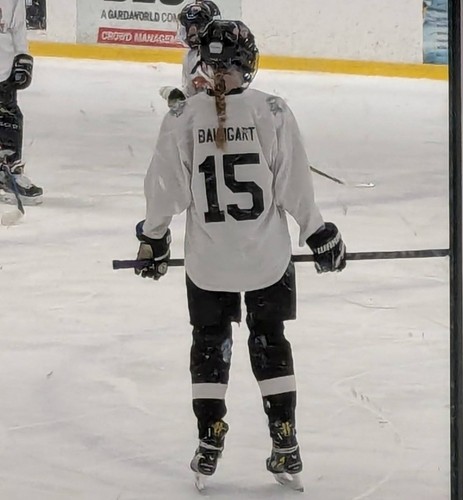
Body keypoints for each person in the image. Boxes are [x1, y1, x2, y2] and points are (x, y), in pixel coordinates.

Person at [134, 19, 347, 488]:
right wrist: (317, 232)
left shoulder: (182, 116)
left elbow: (164, 188)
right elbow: (294, 183)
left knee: (209, 341)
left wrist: (153, 239)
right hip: (267, 260)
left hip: (209, 263)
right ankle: (285, 437)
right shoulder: (272, 110)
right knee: (269, 337)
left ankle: (209, 437)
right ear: (248, 63)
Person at [0, 0, 43, 205]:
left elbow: (17, 26)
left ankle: (8, 173)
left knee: (10, 119)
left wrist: (22, 56)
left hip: (3, 71)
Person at [158, 0, 220, 107]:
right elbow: (192, 94)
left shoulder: (217, 55)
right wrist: (178, 97)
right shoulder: (191, 56)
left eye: (195, 27)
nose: (190, 33)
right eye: (188, 27)